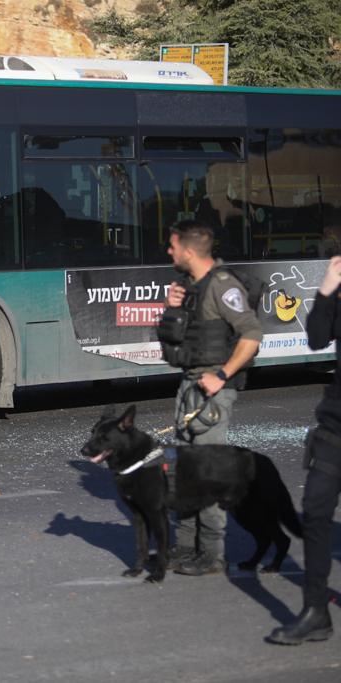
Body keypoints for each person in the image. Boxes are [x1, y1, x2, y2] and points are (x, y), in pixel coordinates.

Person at [159, 219, 263, 576]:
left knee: (207, 473)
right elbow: (178, 335)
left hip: (211, 395)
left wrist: (221, 375)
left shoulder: (222, 286)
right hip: (189, 387)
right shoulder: (190, 286)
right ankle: (187, 546)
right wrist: (172, 306)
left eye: (173, 246)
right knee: (185, 471)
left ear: (188, 250)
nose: (169, 252)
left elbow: (251, 334)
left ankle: (213, 554)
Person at [267, 256, 341, 645]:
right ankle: (316, 612)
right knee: (314, 514)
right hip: (335, 428)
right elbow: (315, 339)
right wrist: (326, 290)